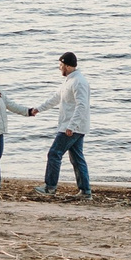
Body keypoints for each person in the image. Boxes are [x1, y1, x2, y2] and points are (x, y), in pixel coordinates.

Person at [29, 50, 92, 198]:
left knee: (54, 154)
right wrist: (38, 109)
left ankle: (50, 187)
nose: (59, 67)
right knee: (76, 158)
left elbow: (82, 106)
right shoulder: (69, 80)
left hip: (71, 127)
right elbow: (56, 98)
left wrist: (71, 126)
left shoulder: (78, 82)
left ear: (68, 66)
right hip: (71, 126)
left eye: (61, 64)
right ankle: (85, 191)